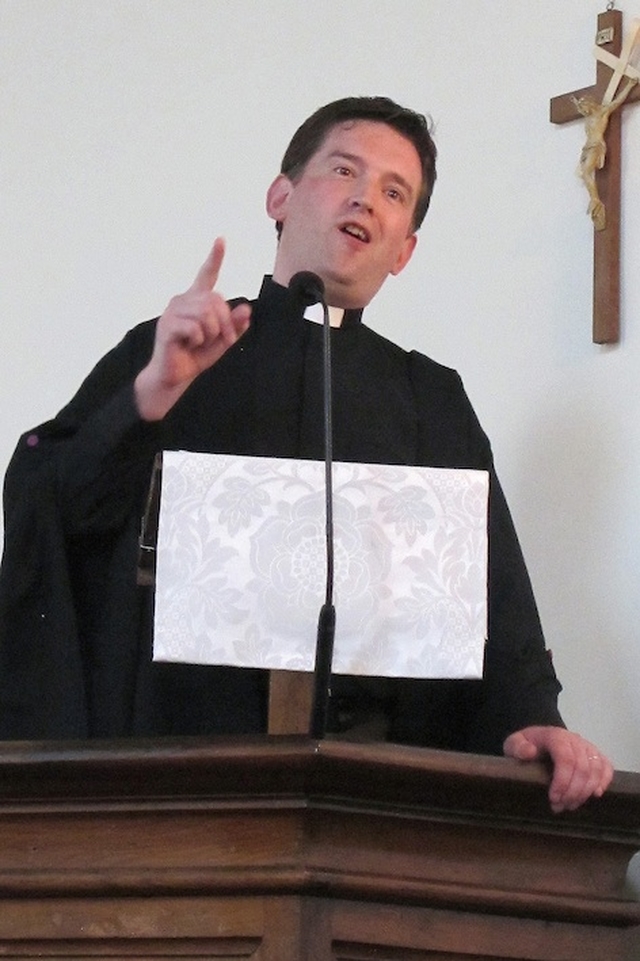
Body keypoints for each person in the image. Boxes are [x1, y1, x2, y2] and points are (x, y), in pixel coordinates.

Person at [0, 96, 612, 812]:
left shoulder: (431, 400)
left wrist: (534, 715)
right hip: (172, 781)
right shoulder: (176, 350)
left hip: (368, 797)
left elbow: (491, 592)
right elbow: (50, 511)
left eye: (394, 192)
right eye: (344, 170)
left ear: (404, 248)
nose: (365, 198)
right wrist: (148, 400)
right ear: (281, 196)